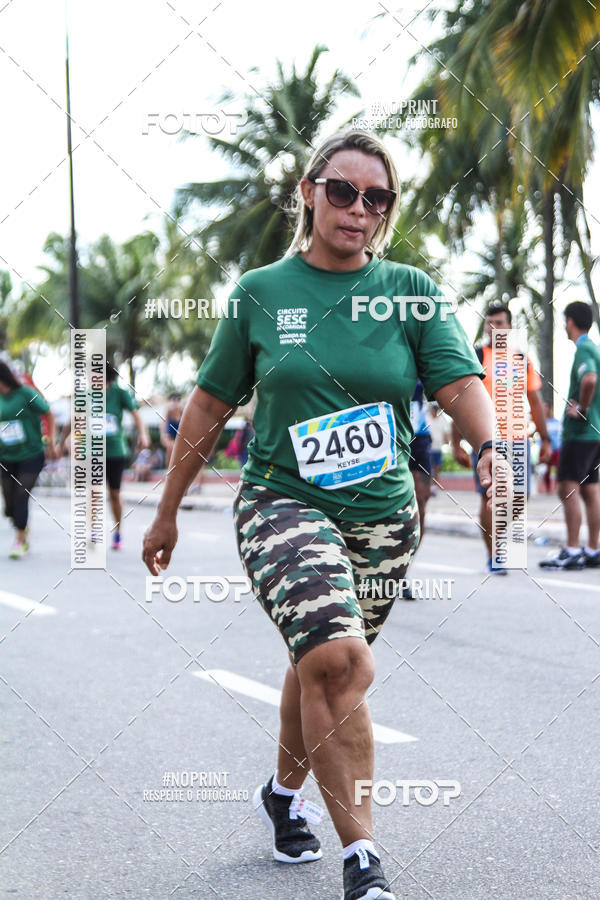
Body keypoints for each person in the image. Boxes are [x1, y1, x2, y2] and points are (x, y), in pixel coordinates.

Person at [142, 129, 501, 900]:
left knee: (321, 663)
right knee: (339, 659)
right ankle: (363, 860)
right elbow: (208, 404)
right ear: (310, 192)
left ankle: (281, 792)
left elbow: (461, 382)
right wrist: (166, 511)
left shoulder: (411, 290)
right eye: (343, 190)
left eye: (377, 198)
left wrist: (492, 451)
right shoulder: (260, 294)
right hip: (281, 502)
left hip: (383, 520)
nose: (358, 209)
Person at [451, 299, 552, 574]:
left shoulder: (521, 359)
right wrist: (455, 442)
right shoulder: (476, 356)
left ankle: (498, 535)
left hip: (519, 440)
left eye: (499, 324)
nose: (493, 328)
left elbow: (535, 401)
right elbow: (460, 397)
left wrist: (545, 439)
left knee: (521, 497)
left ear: (510, 327)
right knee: (490, 497)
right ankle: (494, 554)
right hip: (487, 440)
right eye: (490, 323)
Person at [61, 362, 150, 549]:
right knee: (93, 492)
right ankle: (94, 530)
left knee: (115, 494)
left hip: (115, 451)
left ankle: (118, 532)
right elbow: (72, 419)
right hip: (91, 451)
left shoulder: (119, 394)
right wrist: (63, 440)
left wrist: (143, 434)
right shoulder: (85, 395)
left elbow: (136, 415)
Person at [539, 301, 600, 569]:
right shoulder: (595, 349)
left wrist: (582, 408)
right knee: (591, 490)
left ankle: (573, 550)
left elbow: (589, 380)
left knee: (567, 487)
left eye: (565, 321)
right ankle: (593, 549)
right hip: (595, 433)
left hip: (580, 433)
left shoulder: (584, 349)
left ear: (571, 322)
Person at [0, 361, 57, 558]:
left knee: (21, 495)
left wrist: (50, 441)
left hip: (31, 454)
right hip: (6, 456)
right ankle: (19, 522)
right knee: (9, 504)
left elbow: (48, 413)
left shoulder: (25, 393)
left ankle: (19, 540)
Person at [540, 401, 562, 493]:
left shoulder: (557, 422)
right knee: (548, 469)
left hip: (556, 449)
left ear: (549, 409)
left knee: (557, 467)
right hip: (546, 449)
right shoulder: (543, 423)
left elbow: (560, 436)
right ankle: (548, 487)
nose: (544, 410)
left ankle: (557, 486)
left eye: (545, 407)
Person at [427, 401, 448, 490]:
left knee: (437, 467)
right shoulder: (426, 418)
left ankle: (434, 486)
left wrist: (447, 442)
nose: (434, 411)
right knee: (428, 467)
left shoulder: (442, 419)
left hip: (438, 447)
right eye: (433, 409)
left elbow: (446, 432)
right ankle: (428, 485)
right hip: (428, 447)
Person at [161, 393, 183, 468]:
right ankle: (169, 468)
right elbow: (163, 423)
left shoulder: (182, 411)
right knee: (171, 447)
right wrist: (163, 435)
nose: (176, 401)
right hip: (170, 436)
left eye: (178, 399)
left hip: (180, 437)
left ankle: (178, 468)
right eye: (174, 399)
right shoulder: (169, 411)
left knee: (179, 450)